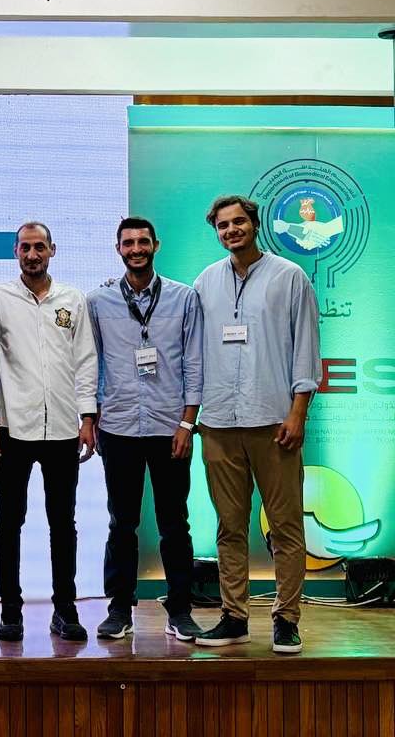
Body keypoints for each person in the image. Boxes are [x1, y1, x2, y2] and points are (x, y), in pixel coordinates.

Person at [192, 195, 320, 655]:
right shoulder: (206, 281)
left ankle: (287, 618)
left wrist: (298, 411)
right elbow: (194, 351)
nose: (231, 230)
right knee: (229, 526)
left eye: (238, 222)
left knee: (285, 526)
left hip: (273, 421)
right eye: (223, 225)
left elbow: (306, 347)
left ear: (255, 224)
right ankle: (234, 617)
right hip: (219, 423)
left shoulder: (290, 276)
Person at [85, 218, 204, 642]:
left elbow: (195, 362)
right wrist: (90, 416)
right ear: (118, 248)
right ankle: (119, 608)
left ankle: (181, 609)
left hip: (170, 426)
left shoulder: (184, 298)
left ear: (156, 245)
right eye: (128, 243)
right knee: (122, 523)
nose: (136, 249)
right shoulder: (97, 302)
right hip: (118, 426)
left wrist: (187, 422)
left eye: (142, 242)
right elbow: (90, 364)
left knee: (175, 523)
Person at [0, 221, 97, 643]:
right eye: (26, 248)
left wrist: (88, 417)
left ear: (53, 250)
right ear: (16, 252)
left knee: (62, 522)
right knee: (9, 521)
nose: (33, 255)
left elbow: (86, 360)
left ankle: (65, 610)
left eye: (40, 247)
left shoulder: (72, 299)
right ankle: (10, 610)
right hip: (12, 427)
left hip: (64, 427)